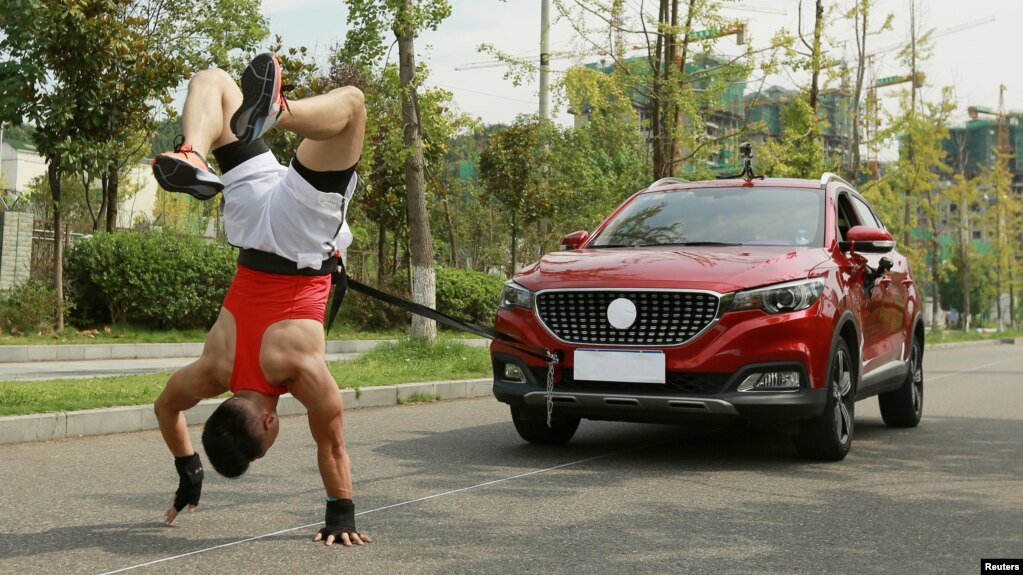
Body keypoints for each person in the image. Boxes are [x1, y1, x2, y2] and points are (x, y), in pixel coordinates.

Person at [150, 52, 367, 547]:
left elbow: (332, 445)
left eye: (269, 440)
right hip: (248, 225)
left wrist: (341, 515)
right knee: (213, 80)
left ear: (268, 425)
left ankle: (277, 113)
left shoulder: (299, 370)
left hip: (298, 234)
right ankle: (193, 153)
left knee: (351, 107)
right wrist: (188, 469)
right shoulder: (213, 370)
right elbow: (166, 409)